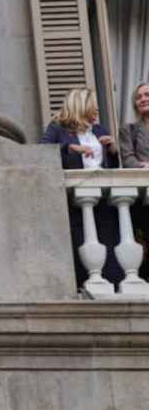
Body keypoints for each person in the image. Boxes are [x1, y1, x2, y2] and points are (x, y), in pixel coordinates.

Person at [39, 88, 122, 288]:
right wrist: (69, 148)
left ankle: (114, 284)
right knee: (81, 243)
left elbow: (112, 164)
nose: (97, 109)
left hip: (103, 199)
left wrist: (111, 149)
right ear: (82, 105)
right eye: (94, 105)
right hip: (76, 202)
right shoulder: (58, 128)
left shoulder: (100, 130)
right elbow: (41, 151)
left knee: (109, 242)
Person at [120, 82, 149, 169]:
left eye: (147, 95)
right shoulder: (128, 129)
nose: (143, 99)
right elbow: (127, 160)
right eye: (138, 97)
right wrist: (143, 166)